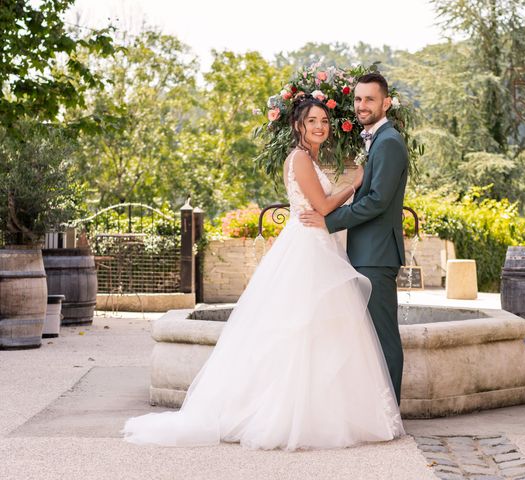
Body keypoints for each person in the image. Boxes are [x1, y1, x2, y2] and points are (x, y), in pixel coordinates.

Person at [122, 96, 404, 450]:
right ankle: (285, 413)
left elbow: (320, 207)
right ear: (298, 126)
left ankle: (321, 410)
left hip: (318, 244)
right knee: (300, 328)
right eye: (313, 121)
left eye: (324, 121)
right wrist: (355, 183)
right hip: (307, 248)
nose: (320, 127)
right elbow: (322, 205)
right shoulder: (300, 158)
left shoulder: (311, 158)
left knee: (320, 329)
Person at [300, 73, 409, 404]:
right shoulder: (377, 140)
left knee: (383, 337)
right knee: (369, 338)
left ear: (385, 103)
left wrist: (328, 222)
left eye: (370, 99)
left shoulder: (389, 142)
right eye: (358, 99)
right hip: (366, 252)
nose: (362, 105)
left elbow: (376, 201)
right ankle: (375, 409)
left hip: (376, 255)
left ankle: (390, 412)